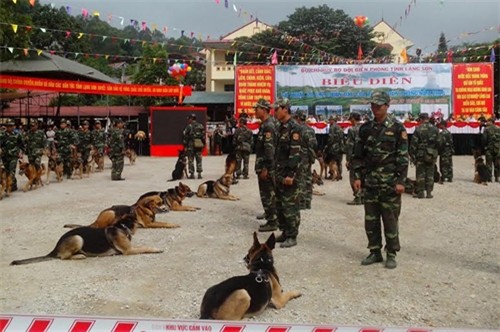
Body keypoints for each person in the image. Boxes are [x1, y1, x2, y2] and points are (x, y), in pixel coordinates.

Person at [352, 91, 409, 269]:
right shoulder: (365, 128)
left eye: (379, 105)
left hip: (390, 184)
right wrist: (356, 176)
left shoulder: (398, 128)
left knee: (390, 219)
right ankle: (375, 251)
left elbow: (402, 157)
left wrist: (401, 181)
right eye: (373, 105)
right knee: (371, 219)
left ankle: (391, 253)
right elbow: (358, 155)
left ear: (387, 106)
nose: (375, 108)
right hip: (370, 183)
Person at [273, 97, 303, 248]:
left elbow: (295, 153)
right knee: (280, 204)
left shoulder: (294, 128)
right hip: (279, 172)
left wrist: (291, 174)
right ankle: (285, 231)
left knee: (290, 205)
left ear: (285, 109)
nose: (275, 112)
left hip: (289, 173)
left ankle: (292, 235)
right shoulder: (280, 127)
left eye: (277, 109)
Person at [253, 98, 278, 232]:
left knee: (268, 193)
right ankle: (270, 214)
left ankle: (272, 221)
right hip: (264, 164)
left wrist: (266, 168)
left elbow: (269, 149)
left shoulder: (269, 125)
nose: (255, 111)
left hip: (265, 166)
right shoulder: (266, 124)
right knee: (268, 193)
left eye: (257, 109)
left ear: (264, 110)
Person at [409, 113, 439, 198]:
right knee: (430, 173)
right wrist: (434, 152)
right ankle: (429, 193)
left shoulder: (418, 129)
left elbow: (414, 144)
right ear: (428, 118)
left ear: (421, 119)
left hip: (420, 154)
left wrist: (412, 155)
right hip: (431, 154)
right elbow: (439, 142)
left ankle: (420, 192)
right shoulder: (435, 128)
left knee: (420, 174)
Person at [294, 110, 317, 210]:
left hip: (301, 156)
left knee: (301, 179)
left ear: (298, 118)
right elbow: (314, 144)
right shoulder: (311, 129)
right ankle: (308, 201)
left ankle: (302, 203)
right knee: (308, 177)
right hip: (309, 156)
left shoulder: (297, 129)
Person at [0, 119, 24, 191]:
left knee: (12, 171)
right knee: (6, 171)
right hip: (4, 156)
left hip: (14, 156)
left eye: (12, 126)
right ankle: (13, 185)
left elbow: (22, 144)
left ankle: (9, 187)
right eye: (9, 126)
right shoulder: (2, 135)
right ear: (6, 126)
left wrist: (21, 152)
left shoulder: (18, 135)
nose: (11, 127)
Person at [345, 112, 363, 205]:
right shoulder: (364, 128)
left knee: (353, 177)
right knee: (362, 177)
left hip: (355, 158)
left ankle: (357, 197)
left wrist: (348, 159)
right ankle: (363, 196)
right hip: (364, 158)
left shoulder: (352, 130)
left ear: (353, 119)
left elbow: (350, 146)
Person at [183, 113, 205, 179]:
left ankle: (192, 174)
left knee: (190, 159)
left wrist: (185, 145)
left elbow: (185, 137)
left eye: (189, 119)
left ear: (191, 119)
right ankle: (199, 174)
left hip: (191, 145)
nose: (188, 120)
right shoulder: (201, 126)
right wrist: (203, 144)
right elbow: (203, 136)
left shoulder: (189, 126)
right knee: (199, 159)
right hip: (198, 144)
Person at [324, 115, 344, 180]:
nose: (329, 121)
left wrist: (327, 146)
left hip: (333, 147)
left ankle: (332, 174)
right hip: (340, 146)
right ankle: (339, 174)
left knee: (332, 161)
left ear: (333, 120)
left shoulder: (332, 127)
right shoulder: (340, 127)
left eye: (330, 120)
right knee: (339, 161)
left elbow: (330, 139)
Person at [481, 117, 500, 182]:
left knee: (489, 164)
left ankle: (489, 178)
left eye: (488, 121)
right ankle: (497, 177)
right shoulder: (498, 128)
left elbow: (484, 139)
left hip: (489, 148)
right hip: (497, 149)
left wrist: (484, 147)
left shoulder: (486, 129)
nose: (486, 123)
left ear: (491, 122)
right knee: (497, 164)